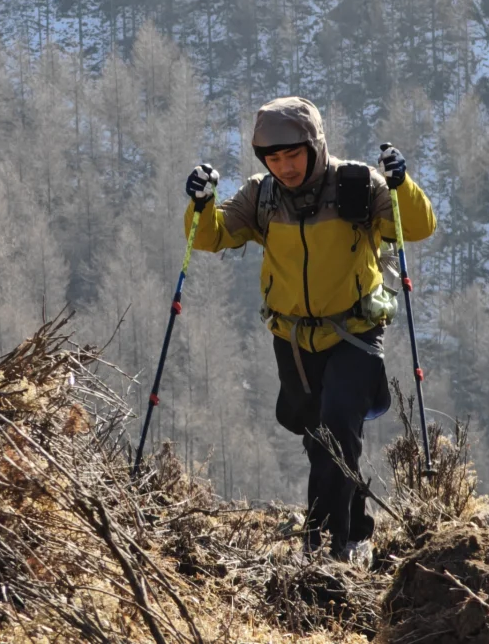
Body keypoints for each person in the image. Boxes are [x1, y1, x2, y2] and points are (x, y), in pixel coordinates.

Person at [182, 96, 434, 564]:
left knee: (338, 427)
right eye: (274, 158)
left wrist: (402, 186)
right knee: (319, 436)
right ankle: (356, 531)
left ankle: (323, 547)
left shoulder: (356, 184)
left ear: (315, 145)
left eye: (293, 154)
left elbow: (416, 228)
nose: (285, 167)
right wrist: (201, 203)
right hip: (294, 339)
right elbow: (211, 237)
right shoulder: (262, 196)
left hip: (356, 331)